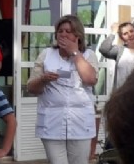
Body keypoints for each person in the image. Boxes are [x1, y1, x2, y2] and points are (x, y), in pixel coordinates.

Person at [26, 14, 98, 164]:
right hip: (51, 123)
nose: (63, 34)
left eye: (68, 31)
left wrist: (75, 53)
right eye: (60, 31)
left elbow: (90, 80)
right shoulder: (46, 54)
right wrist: (43, 79)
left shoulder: (88, 55)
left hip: (80, 123)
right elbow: (31, 88)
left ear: (78, 35)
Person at [99, 21, 134, 91]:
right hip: (121, 96)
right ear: (122, 38)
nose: (130, 35)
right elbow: (103, 49)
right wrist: (113, 32)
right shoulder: (119, 50)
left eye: (131, 31)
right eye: (125, 34)